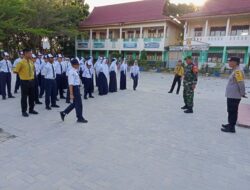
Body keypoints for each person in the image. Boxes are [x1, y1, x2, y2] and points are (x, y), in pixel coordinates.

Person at [221, 57, 247, 133]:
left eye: (230, 61)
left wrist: (242, 93)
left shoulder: (238, 71)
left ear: (235, 62)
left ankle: (231, 127)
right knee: (230, 111)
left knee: (233, 111)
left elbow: (241, 83)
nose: (229, 63)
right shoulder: (235, 70)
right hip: (232, 95)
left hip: (234, 95)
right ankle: (230, 124)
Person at [60, 59, 88, 123]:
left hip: (76, 88)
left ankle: (64, 113)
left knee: (75, 104)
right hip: (74, 88)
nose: (78, 65)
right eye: (77, 64)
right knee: (79, 104)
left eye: (78, 64)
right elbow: (71, 84)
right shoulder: (71, 72)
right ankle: (79, 118)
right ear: (73, 65)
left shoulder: (75, 71)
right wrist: (71, 94)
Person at [13, 48, 38, 117]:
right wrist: (22, 74)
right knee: (24, 97)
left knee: (32, 96)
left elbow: (33, 70)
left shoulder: (31, 61)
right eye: (30, 53)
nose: (31, 54)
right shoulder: (21, 62)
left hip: (32, 81)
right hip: (24, 82)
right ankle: (24, 111)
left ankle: (31, 109)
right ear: (25, 54)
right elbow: (15, 71)